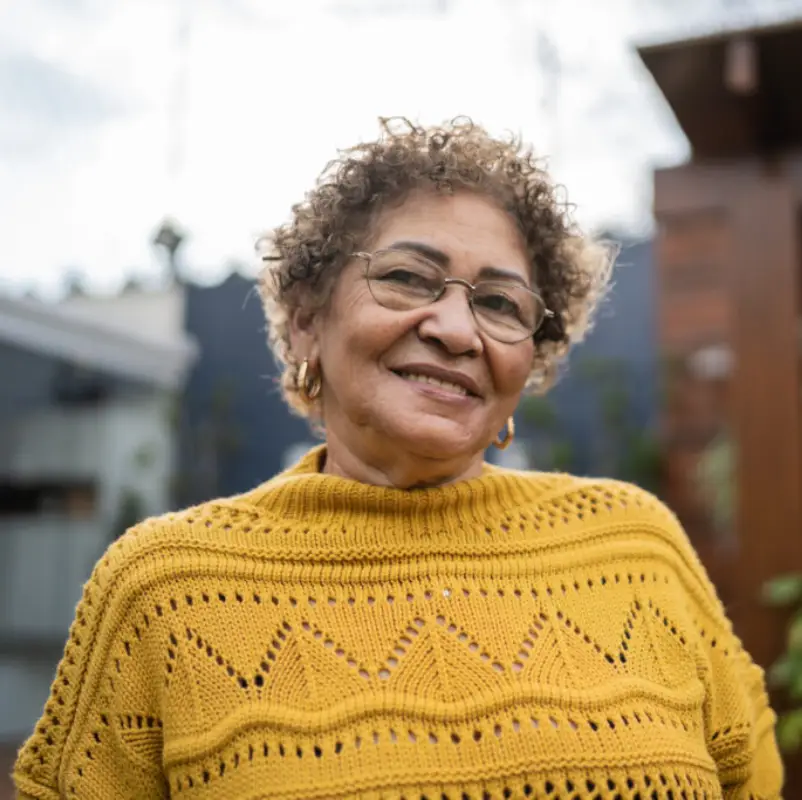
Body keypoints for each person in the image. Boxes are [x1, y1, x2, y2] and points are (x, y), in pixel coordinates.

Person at [14, 118, 782, 799]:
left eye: (500, 303)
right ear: (308, 321)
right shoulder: (163, 589)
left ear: (530, 363)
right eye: (408, 278)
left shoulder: (635, 546)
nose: (456, 328)